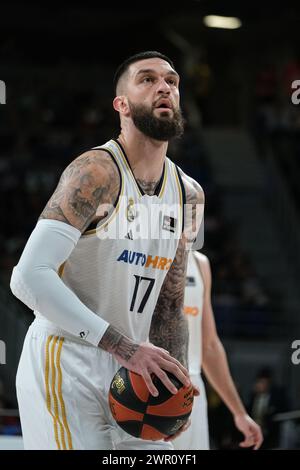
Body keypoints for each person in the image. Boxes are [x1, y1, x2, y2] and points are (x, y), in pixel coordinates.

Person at [10, 51, 204, 450]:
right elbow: (27, 277)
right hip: (67, 357)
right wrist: (123, 346)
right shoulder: (96, 171)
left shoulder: (188, 194)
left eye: (171, 80)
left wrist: (176, 385)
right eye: (147, 80)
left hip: (136, 368)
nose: (164, 87)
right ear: (122, 105)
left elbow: (170, 304)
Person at [172, 251, 263, 450]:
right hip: (149, 381)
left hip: (192, 387)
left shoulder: (200, 263)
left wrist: (239, 413)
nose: (194, 220)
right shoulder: (143, 251)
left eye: (198, 216)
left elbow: (210, 346)